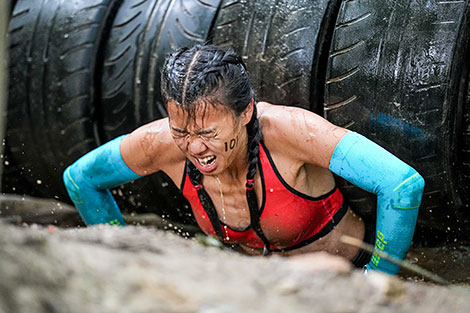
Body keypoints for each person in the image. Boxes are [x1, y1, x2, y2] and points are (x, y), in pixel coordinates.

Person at [63, 45, 424, 275]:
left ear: (246, 111)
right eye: (182, 132)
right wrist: (124, 266)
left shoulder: (292, 131)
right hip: (263, 290)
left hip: (342, 278)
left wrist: (375, 280)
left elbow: (402, 184)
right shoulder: (162, 143)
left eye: (207, 133)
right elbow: (81, 179)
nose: (195, 148)